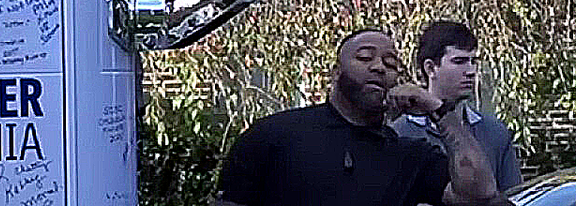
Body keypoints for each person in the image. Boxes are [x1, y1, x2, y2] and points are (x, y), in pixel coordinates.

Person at [215, 28, 500, 206]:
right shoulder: (273, 136)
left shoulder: (410, 156)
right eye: (364, 58)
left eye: (391, 63)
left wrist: (440, 112)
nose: (379, 67)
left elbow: (479, 194)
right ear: (336, 72)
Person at [393, 20, 523, 191]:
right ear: (430, 68)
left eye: (473, 61)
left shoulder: (494, 132)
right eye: (459, 61)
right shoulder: (399, 134)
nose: (471, 71)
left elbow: (513, 196)